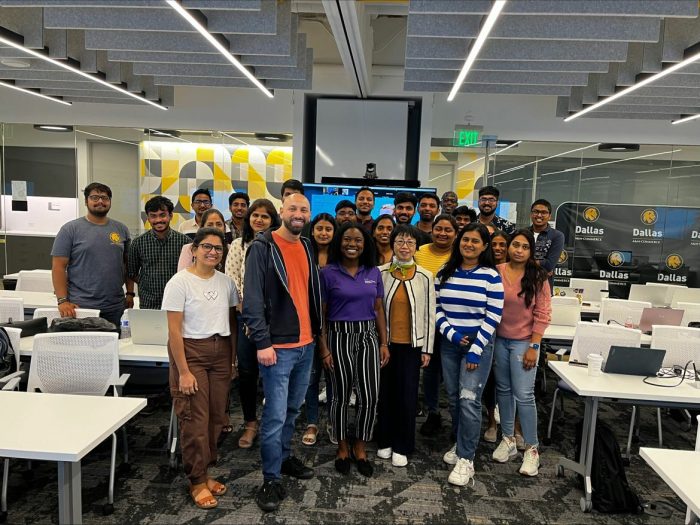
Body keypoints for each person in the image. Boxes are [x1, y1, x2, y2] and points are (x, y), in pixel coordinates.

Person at [242, 193, 321, 513]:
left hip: (306, 345)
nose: (298, 214)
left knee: (292, 409)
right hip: (278, 348)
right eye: (293, 208)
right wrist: (262, 343)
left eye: (304, 209)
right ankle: (271, 477)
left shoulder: (306, 245)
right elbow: (252, 301)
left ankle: (285, 458)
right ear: (282, 213)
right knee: (274, 415)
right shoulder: (262, 248)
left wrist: (315, 337)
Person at [162, 227, 239, 510]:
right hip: (191, 353)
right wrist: (182, 371)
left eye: (218, 248)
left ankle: (206, 472)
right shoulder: (179, 283)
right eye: (206, 246)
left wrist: (232, 360)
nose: (212, 252)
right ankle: (196, 480)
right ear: (193, 250)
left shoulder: (226, 283)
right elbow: (174, 332)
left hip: (221, 354)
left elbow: (232, 323)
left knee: (216, 418)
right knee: (194, 418)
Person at [318, 222, 388, 478]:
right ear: (339, 242)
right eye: (347, 239)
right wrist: (324, 348)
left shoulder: (373, 272)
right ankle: (342, 447)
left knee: (369, 396)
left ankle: (360, 445)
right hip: (337, 337)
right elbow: (321, 316)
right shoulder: (327, 273)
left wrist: (383, 342)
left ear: (365, 244)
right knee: (339, 396)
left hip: (368, 336)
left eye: (358, 240)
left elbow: (379, 309)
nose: (352, 244)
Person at [436, 223, 503, 487]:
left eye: (476, 241)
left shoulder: (491, 276)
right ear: (459, 242)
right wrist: (451, 334)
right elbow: (437, 309)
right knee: (453, 399)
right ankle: (460, 440)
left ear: (484, 246)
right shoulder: (445, 272)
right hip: (450, 345)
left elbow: (493, 316)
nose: (469, 245)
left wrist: (476, 350)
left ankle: (467, 458)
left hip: (479, 346)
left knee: (469, 399)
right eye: (466, 240)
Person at [492, 229, 551, 476]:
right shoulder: (497, 271)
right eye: (515, 245)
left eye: (524, 247)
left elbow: (543, 313)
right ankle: (508, 439)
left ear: (530, 251)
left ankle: (532, 449)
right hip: (499, 340)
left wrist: (534, 346)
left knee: (524, 395)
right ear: (508, 247)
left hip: (524, 343)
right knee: (503, 391)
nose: (519, 250)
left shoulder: (537, 276)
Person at [376, 224, 435, 467]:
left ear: (416, 248)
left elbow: (430, 314)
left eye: (410, 243)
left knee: (407, 396)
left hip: (412, 346)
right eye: (400, 241)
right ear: (392, 244)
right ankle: (384, 439)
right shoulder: (380, 273)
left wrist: (427, 348)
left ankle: (403, 444)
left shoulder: (425, 276)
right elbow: (375, 309)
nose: (404, 247)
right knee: (385, 393)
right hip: (385, 345)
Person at [224, 199, 279, 447]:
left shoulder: (279, 245)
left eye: (264, 217)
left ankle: (272, 424)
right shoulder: (239, 245)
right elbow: (232, 279)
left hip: (277, 321)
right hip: (247, 318)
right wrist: (249, 309)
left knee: (274, 374)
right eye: (254, 215)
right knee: (248, 373)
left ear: (273, 221)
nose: (258, 220)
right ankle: (250, 423)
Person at [51, 182, 130, 329]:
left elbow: (127, 264)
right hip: (81, 307)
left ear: (110, 202)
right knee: (83, 349)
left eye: (104, 198)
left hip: (115, 305)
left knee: (113, 348)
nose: (100, 201)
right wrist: (62, 301)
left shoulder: (121, 229)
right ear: (86, 201)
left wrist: (130, 293)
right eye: (95, 197)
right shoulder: (70, 229)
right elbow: (58, 267)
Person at [414, 214, 458, 436]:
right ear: (432, 230)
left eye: (448, 230)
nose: (442, 233)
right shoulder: (419, 252)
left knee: (451, 371)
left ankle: (456, 416)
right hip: (424, 320)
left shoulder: (460, 255)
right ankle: (433, 412)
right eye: (439, 229)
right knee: (430, 370)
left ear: (455, 233)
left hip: (453, 321)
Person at [301, 213, 337, 446]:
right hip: (308, 324)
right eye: (319, 228)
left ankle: (334, 420)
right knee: (311, 378)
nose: (324, 233)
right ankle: (312, 422)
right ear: (312, 231)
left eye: (328, 229)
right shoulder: (303, 255)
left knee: (335, 376)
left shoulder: (341, 258)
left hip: (336, 323)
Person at [126, 196, 190, 310]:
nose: (158, 220)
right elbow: (132, 272)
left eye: (162, 215)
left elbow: (191, 272)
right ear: (148, 218)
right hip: (148, 302)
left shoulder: (185, 242)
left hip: (178, 301)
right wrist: (147, 282)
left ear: (170, 216)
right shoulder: (138, 243)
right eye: (153, 216)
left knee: (176, 328)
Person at [483, 229, 510, 443]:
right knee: (490, 382)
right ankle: (491, 422)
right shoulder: (484, 269)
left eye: (503, 244)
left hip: (511, 333)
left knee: (510, 383)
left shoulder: (516, 270)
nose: (498, 248)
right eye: (494, 244)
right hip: (489, 332)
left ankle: (514, 428)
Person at [529, 199, 564, 291]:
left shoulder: (557, 236)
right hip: (522, 284)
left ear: (549, 216)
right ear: (531, 214)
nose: (539, 215)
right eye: (536, 212)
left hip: (544, 286)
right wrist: (540, 264)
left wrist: (524, 262)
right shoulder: (522, 233)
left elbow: (549, 264)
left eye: (544, 212)